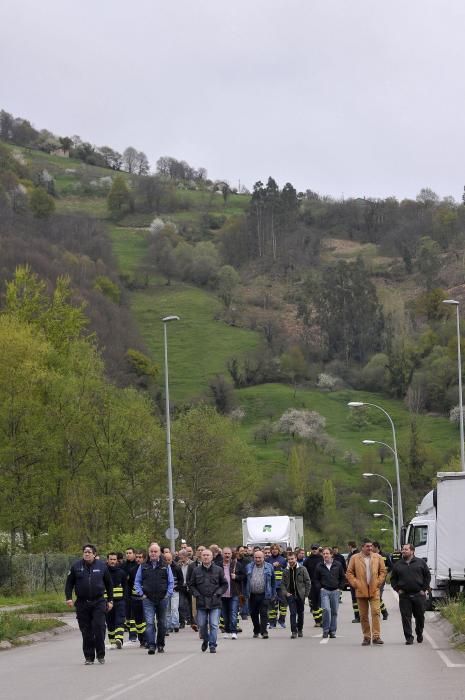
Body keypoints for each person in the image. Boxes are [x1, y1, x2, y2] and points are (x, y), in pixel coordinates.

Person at [65, 544, 113, 665]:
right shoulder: (76, 566)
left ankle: (100, 654)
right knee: (86, 631)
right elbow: (69, 584)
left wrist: (110, 600)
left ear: (94, 554)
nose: (86, 554)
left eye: (89, 552)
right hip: (82, 603)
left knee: (99, 628)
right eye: (85, 552)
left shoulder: (102, 566)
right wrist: (69, 598)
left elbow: (109, 584)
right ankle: (89, 657)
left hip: (98, 602)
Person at [134, 542, 174, 655]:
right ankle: (151, 645)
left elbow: (171, 582)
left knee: (162, 623)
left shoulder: (165, 566)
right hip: (148, 599)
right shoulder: (143, 566)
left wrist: (168, 594)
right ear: (149, 553)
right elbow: (137, 581)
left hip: (163, 599)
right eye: (151, 551)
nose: (153, 553)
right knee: (150, 623)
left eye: (155, 551)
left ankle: (160, 644)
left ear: (159, 553)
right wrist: (141, 594)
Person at [346, 539, 386, 646]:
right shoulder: (354, 558)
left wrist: (378, 582)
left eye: (371, 546)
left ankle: (376, 636)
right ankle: (367, 637)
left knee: (376, 612)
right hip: (361, 590)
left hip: (374, 589)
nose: (370, 548)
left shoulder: (377, 557)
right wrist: (356, 583)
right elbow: (349, 572)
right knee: (363, 615)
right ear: (362, 547)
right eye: (367, 546)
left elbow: (383, 571)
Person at [390, 543, 431, 645]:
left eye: (406, 549)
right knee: (406, 617)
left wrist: (424, 589)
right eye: (403, 549)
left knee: (420, 617)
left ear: (412, 551)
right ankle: (409, 638)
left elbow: (427, 576)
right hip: (405, 596)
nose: (403, 551)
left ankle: (419, 632)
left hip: (419, 595)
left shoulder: (420, 562)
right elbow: (393, 579)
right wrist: (397, 589)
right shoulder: (398, 564)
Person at [189, 548, 228, 653]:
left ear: (212, 557)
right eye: (204, 555)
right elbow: (191, 585)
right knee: (201, 624)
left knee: (214, 624)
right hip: (201, 602)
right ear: (201, 557)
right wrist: (196, 594)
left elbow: (224, 584)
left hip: (215, 601)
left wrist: (219, 593)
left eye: (208, 555)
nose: (206, 557)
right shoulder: (196, 570)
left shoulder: (218, 570)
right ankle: (205, 640)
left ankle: (212, 645)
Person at [313, 547, 345, 639]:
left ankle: (333, 631)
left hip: (335, 591)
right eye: (324, 553)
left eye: (327, 553)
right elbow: (316, 579)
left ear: (331, 554)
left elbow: (343, 577)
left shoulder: (338, 565)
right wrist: (320, 588)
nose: (325, 555)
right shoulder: (319, 566)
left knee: (334, 612)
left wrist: (340, 588)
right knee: (326, 610)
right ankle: (326, 630)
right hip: (325, 591)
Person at [244, 549, 276, 639]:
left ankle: (264, 631)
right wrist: (244, 593)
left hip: (264, 594)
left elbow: (273, 581)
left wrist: (273, 593)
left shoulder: (269, 567)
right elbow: (245, 581)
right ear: (253, 558)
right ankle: (256, 629)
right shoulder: (248, 567)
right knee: (253, 613)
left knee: (263, 613)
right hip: (252, 594)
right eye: (256, 557)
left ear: (263, 558)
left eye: (259, 558)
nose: (257, 559)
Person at [281, 552, 310, 638]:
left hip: (301, 595)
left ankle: (300, 629)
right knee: (293, 613)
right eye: (289, 559)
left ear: (296, 559)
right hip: (291, 596)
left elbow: (307, 581)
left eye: (292, 559)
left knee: (300, 613)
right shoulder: (285, 570)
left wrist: (306, 594)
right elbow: (282, 584)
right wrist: (286, 593)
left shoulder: (302, 569)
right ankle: (294, 631)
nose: (291, 561)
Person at [221, 547, 246, 639]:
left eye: (229, 553)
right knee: (224, 614)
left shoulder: (237, 564)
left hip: (234, 593)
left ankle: (234, 631)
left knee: (233, 612)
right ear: (222, 554)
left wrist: (237, 577)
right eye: (225, 553)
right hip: (222, 593)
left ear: (231, 554)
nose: (227, 555)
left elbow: (244, 576)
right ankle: (227, 631)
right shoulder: (218, 565)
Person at [105, 552, 128, 649]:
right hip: (107, 602)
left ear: (117, 560)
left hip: (120, 601)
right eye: (111, 559)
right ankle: (112, 641)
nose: (113, 561)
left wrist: (125, 600)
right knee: (110, 622)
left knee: (120, 620)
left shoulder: (121, 573)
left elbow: (125, 587)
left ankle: (119, 639)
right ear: (107, 560)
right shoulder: (103, 572)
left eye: (114, 559)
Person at [303, 544, 324, 626]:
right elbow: (304, 573)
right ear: (311, 550)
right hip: (311, 584)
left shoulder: (322, 559)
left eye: (316, 548)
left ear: (318, 549)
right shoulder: (307, 560)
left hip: (321, 584)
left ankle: (322, 619)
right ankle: (317, 621)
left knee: (321, 603)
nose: (314, 550)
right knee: (314, 604)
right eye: (313, 549)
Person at [122, 547, 139, 643]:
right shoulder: (123, 565)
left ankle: (133, 635)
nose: (128, 554)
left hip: (135, 592)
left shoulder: (137, 565)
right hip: (125, 592)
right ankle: (130, 629)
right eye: (127, 553)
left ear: (134, 554)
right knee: (127, 614)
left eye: (130, 553)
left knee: (133, 614)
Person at [164, 551, 183, 633]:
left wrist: (178, 588)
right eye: (166, 560)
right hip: (166, 591)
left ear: (172, 559)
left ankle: (175, 624)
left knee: (174, 608)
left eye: (169, 559)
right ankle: (168, 626)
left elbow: (181, 579)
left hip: (175, 591)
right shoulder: (162, 568)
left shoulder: (177, 568)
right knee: (167, 609)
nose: (167, 561)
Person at [372, 541, 392, 620]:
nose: (371, 548)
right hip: (372, 579)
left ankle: (384, 613)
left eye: (372, 547)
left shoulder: (385, 555)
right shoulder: (371, 556)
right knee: (375, 596)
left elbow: (391, 566)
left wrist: (385, 570)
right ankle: (384, 612)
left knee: (378, 596)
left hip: (381, 578)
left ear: (376, 547)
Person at [347, 541, 360, 622]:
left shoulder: (356, 554)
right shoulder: (351, 554)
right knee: (355, 599)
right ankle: (358, 616)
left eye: (348, 546)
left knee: (356, 599)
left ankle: (358, 617)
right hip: (353, 579)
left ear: (350, 546)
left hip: (356, 579)